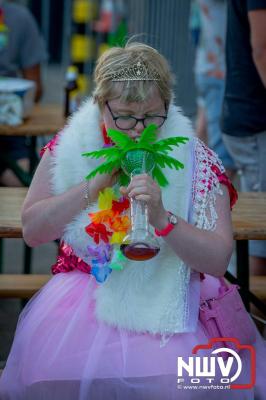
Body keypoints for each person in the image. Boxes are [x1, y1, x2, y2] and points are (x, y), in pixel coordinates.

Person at [0, 42, 265, 399]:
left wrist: (163, 218)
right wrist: (94, 185)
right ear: (100, 105)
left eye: (152, 116)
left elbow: (218, 260)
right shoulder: (72, 145)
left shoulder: (196, 157)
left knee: (181, 384)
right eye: (124, 116)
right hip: (87, 298)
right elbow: (33, 230)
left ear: (167, 108)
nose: (138, 129)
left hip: (173, 304)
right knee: (52, 378)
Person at [221, 0, 266, 275]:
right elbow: (262, 50)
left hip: (247, 117)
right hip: (255, 122)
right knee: (260, 240)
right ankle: (250, 317)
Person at [0, 0, 47, 187]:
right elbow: (36, 89)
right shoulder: (21, 17)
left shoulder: (20, 19)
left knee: (23, 180)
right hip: (11, 126)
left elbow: (35, 89)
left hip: (10, 129)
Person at [191, 0, 235, 176]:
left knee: (203, 131)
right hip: (218, 71)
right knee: (223, 157)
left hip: (210, 66)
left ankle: (192, 190)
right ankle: (214, 199)